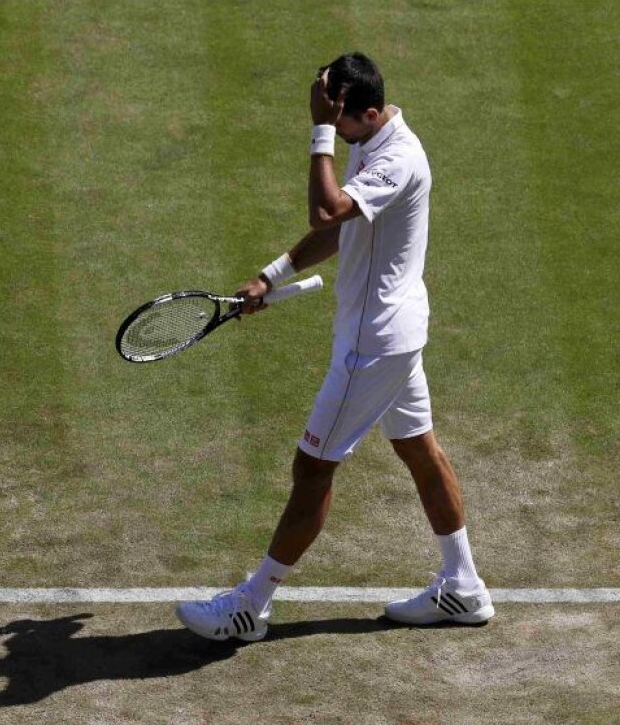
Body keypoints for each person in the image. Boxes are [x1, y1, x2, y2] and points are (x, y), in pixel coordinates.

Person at [175, 52, 493, 641]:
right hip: (393, 334)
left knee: (313, 467)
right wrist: (271, 276)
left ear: (368, 113)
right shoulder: (369, 136)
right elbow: (340, 226)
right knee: (421, 453)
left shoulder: (397, 158)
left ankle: (252, 606)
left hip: (372, 344)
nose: (333, 127)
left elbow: (326, 208)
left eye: (339, 118)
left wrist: (320, 130)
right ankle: (464, 587)